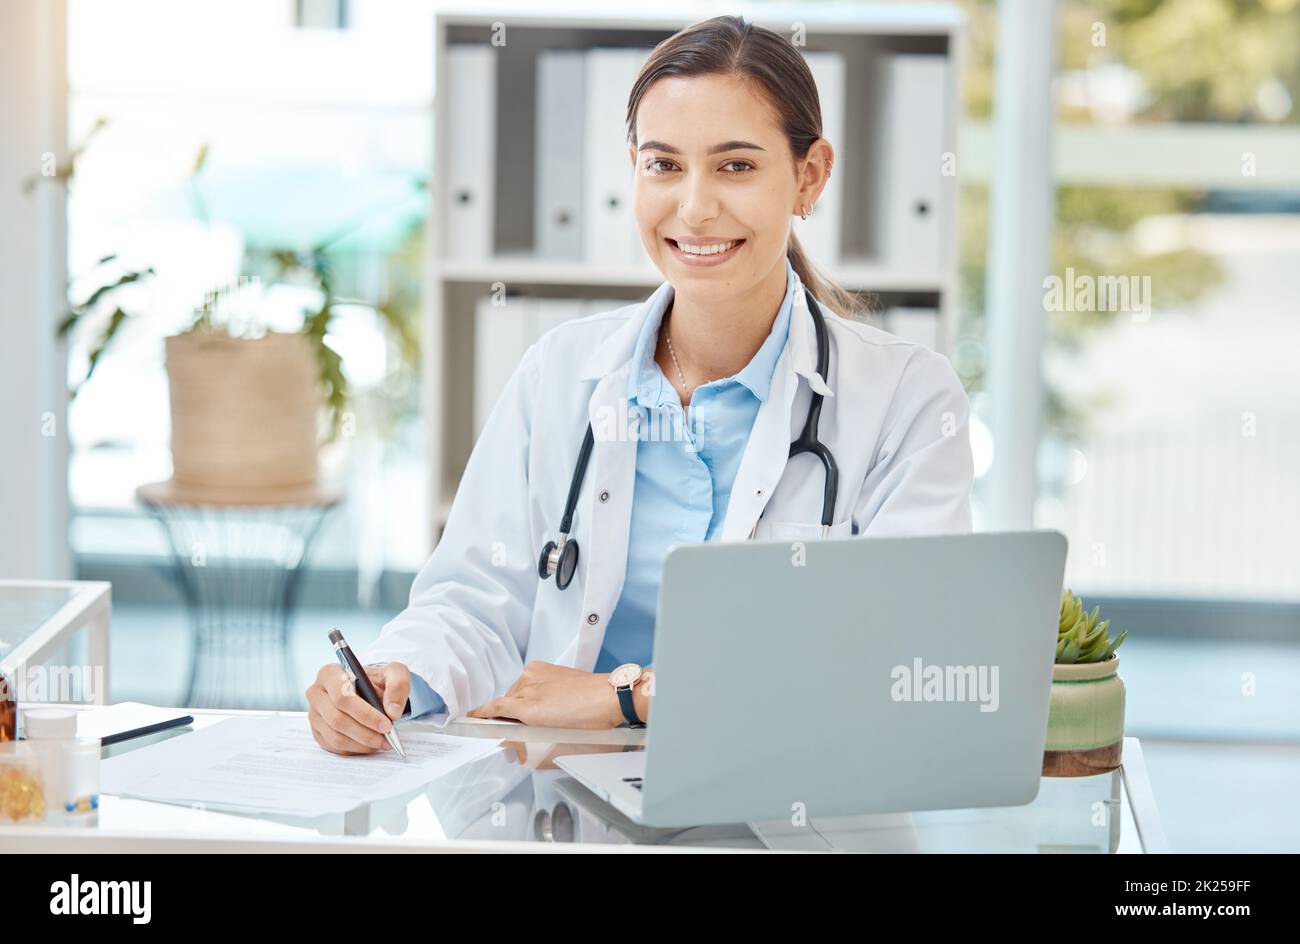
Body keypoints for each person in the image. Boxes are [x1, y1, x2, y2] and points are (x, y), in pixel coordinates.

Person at [307, 14, 973, 755]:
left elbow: (901, 661)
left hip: (799, 802)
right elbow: (475, 601)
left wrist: (628, 698)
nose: (693, 208)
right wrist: (399, 676)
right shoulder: (560, 373)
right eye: (663, 165)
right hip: (565, 795)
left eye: (736, 166)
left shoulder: (907, 400)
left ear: (809, 176)